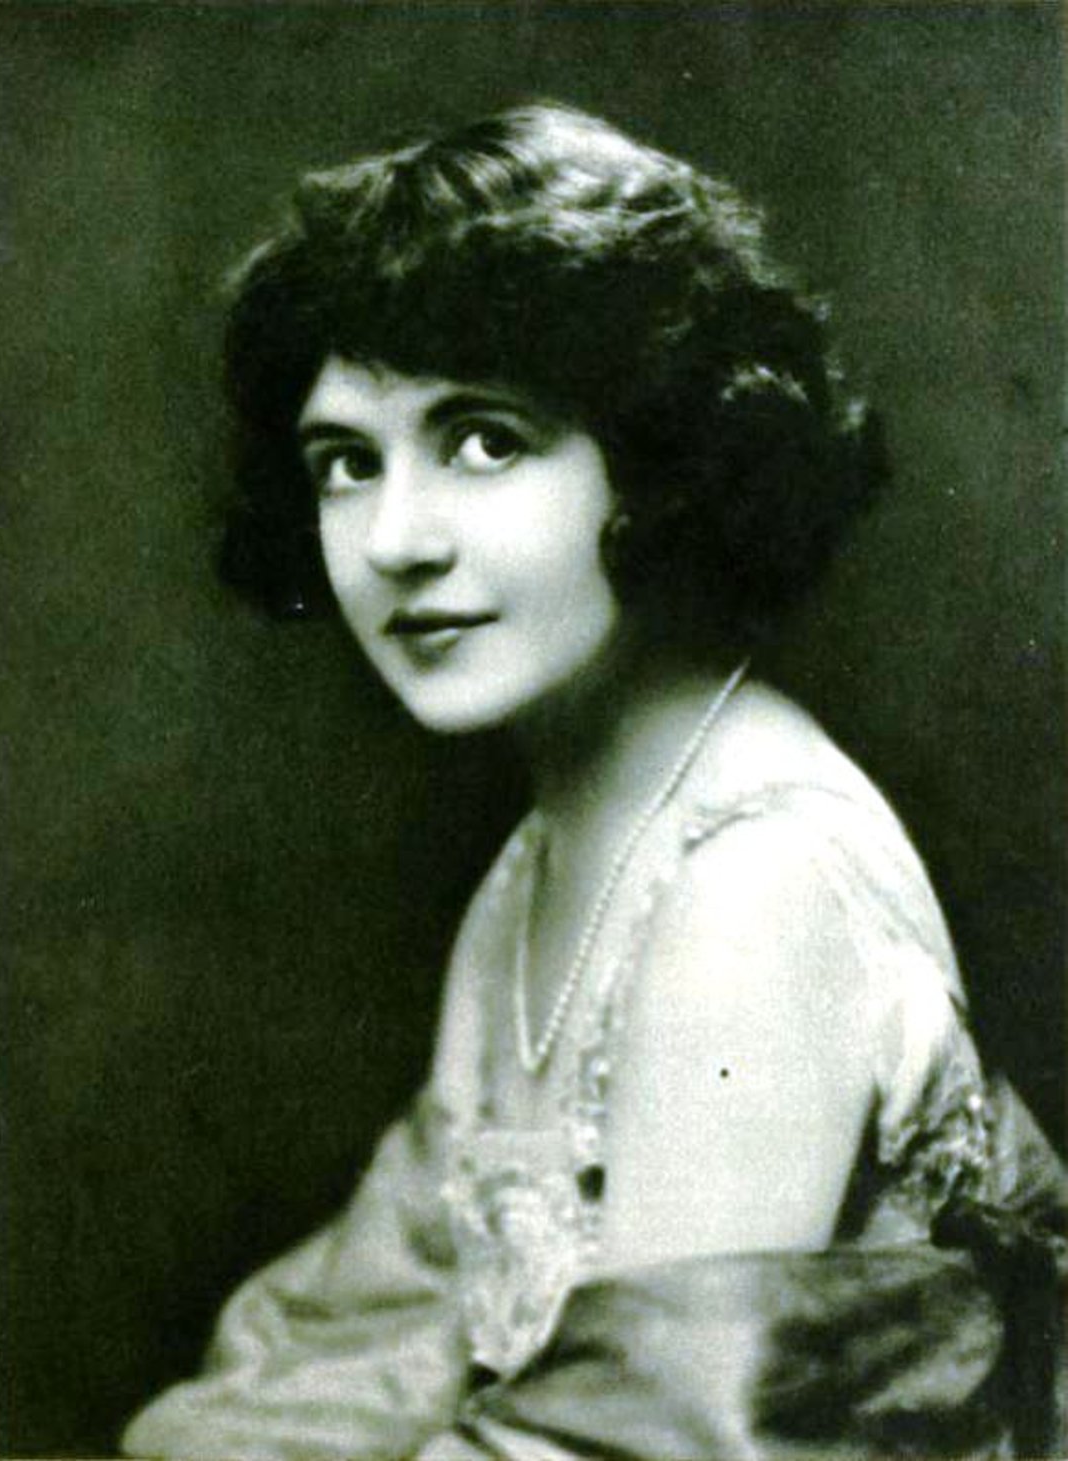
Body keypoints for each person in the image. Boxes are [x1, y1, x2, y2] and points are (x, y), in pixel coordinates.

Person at [122, 103, 1064, 1460]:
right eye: (347, 462)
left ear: (664, 462)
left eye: (485, 439)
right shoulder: (549, 854)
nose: (393, 541)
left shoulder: (755, 886)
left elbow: (634, 1443)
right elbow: (381, 1330)